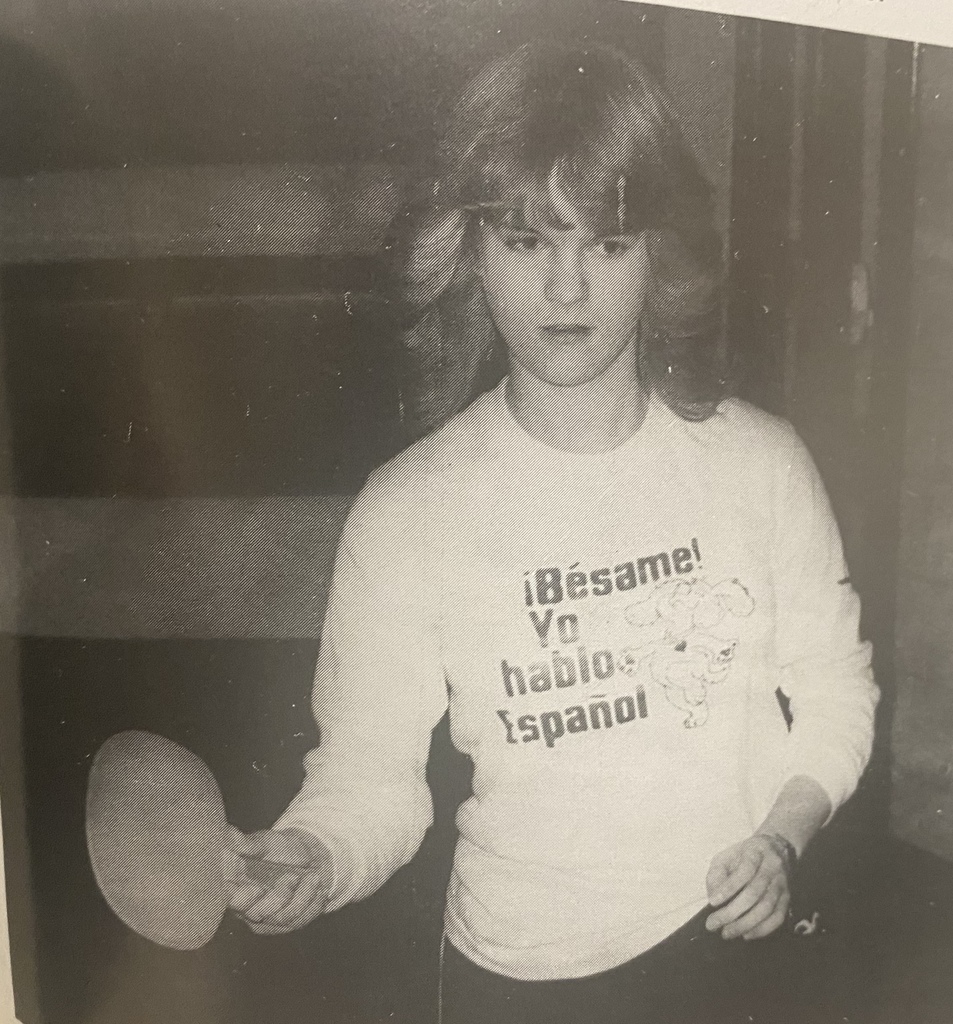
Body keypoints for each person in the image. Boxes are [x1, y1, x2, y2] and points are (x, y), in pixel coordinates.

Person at [229, 42, 880, 1023]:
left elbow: (834, 690)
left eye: (606, 243)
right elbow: (368, 780)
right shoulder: (407, 508)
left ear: (659, 252)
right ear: (468, 251)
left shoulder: (759, 464)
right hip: (512, 981)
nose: (567, 290)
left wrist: (778, 837)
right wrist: (317, 855)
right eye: (528, 242)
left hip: (728, 955)